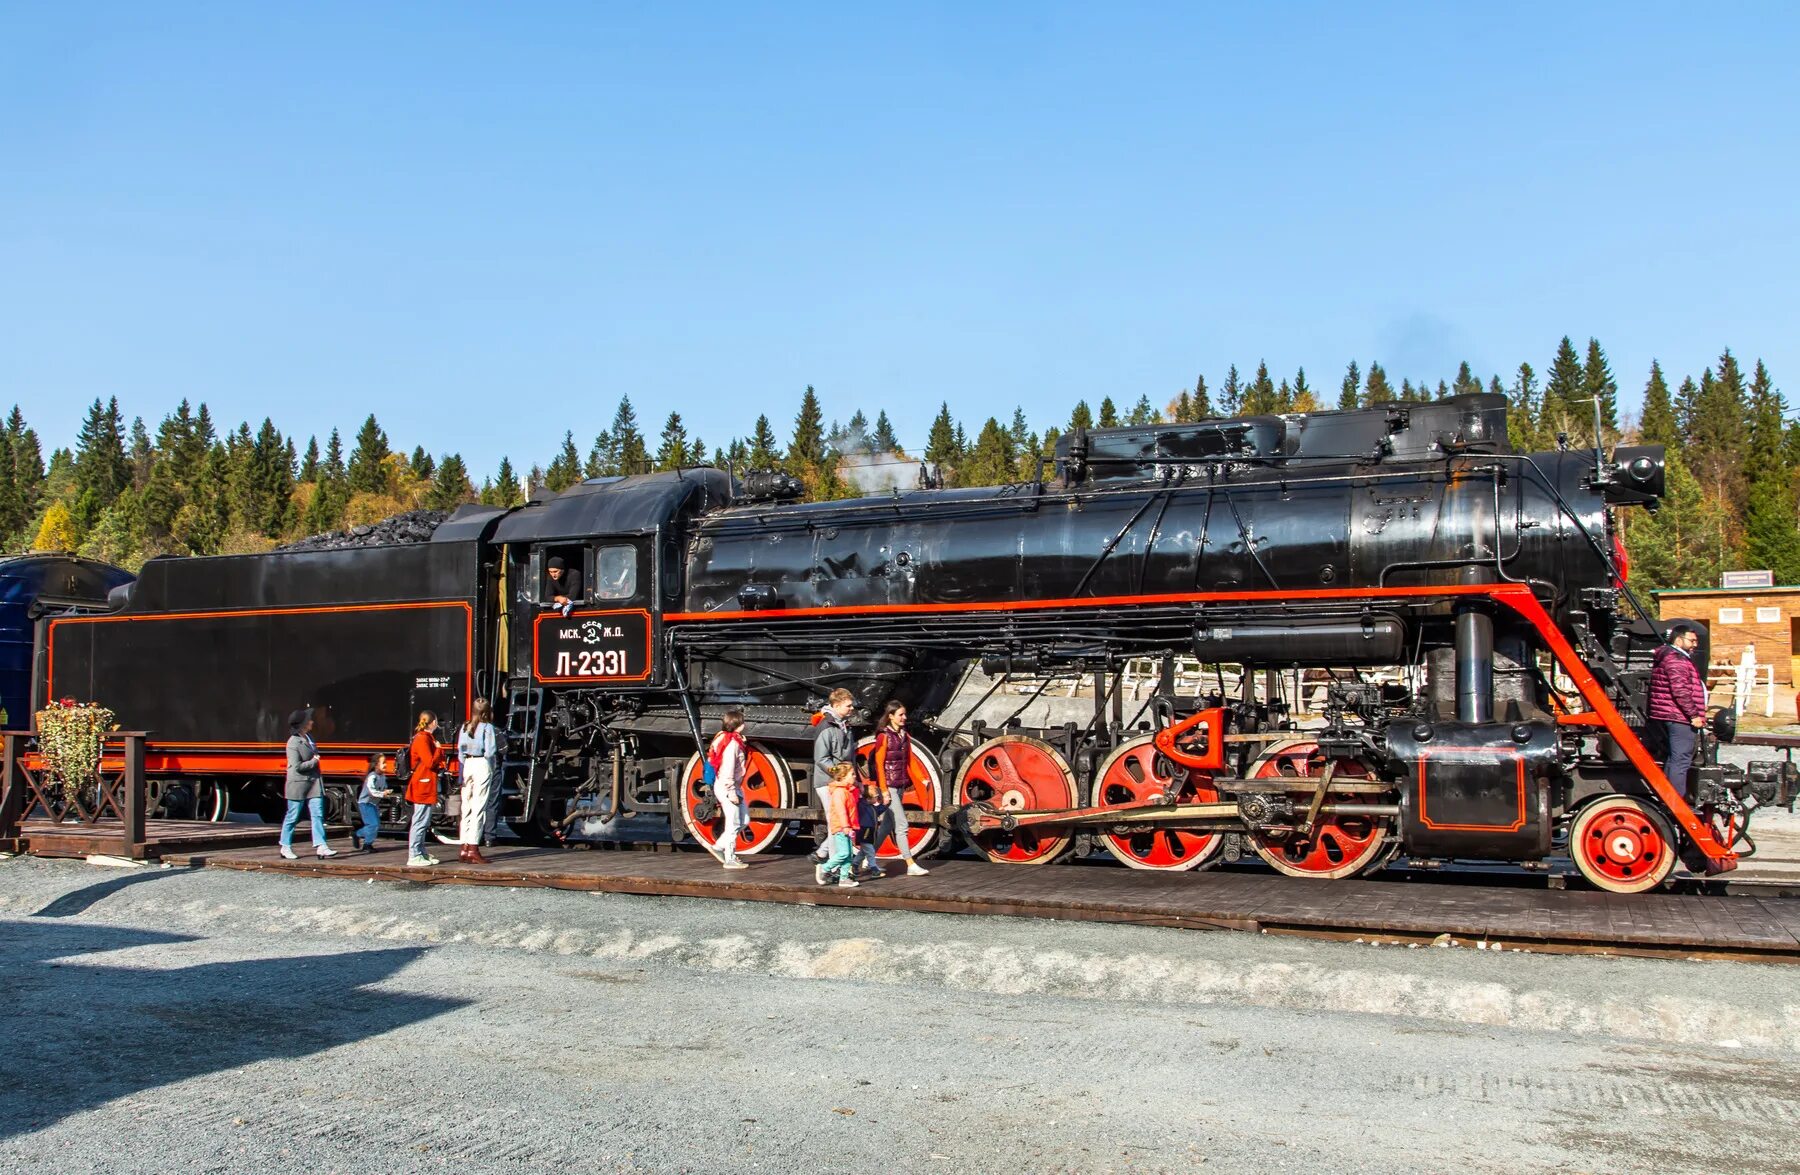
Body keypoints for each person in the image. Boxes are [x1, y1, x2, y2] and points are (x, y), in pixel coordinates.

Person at [870, 699, 930, 877]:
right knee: (902, 824)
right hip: (889, 786)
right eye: (901, 715)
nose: (904, 717)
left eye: (905, 714)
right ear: (891, 717)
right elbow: (879, 765)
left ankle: (866, 857)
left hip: (900, 784)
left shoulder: (904, 735)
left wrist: (922, 779)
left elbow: (910, 760)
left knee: (887, 825)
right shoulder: (884, 736)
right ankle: (910, 864)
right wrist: (884, 790)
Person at [1648, 624, 1708, 798]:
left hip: (1671, 713)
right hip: (1678, 716)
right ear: (1679, 639)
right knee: (1681, 759)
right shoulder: (1676, 659)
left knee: (1673, 758)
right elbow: (1680, 690)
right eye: (1692, 640)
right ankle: (1675, 801)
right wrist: (1694, 714)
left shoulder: (1670, 657)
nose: (1695, 644)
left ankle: (1668, 797)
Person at [281, 708, 336, 859]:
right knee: (293, 815)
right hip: (298, 783)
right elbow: (297, 766)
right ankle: (285, 846)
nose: (311, 721)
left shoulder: (309, 738)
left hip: (313, 783)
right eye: (308, 720)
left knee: (317, 814)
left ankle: (321, 846)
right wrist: (314, 762)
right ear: (302, 724)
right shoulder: (293, 742)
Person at [809, 689, 856, 862]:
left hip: (841, 781)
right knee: (836, 822)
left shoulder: (845, 725)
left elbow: (850, 756)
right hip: (827, 781)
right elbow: (821, 758)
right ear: (836, 705)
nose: (852, 708)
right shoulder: (826, 727)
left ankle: (822, 853)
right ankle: (834, 862)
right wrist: (841, 775)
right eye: (848, 705)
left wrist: (853, 778)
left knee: (842, 821)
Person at [456, 699, 499, 865]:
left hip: (467, 764)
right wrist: (491, 766)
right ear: (486, 712)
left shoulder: (465, 726)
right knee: (479, 807)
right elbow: (490, 751)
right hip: (481, 763)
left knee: (466, 807)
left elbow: (460, 752)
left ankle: (464, 848)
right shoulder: (487, 727)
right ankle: (474, 848)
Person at [708, 709, 750, 870]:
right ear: (739, 725)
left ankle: (718, 847)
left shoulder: (733, 740)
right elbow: (727, 770)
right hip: (728, 787)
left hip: (733, 786)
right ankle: (730, 858)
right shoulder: (732, 744)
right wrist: (732, 792)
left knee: (744, 821)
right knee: (733, 823)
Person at [405, 710, 448, 868]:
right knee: (420, 821)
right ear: (433, 722)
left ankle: (420, 851)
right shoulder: (423, 739)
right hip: (423, 783)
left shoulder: (424, 737)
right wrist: (438, 749)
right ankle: (414, 854)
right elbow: (430, 762)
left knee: (423, 820)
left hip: (425, 782)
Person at [814, 761, 860, 889]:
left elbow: (853, 805)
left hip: (848, 827)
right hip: (840, 827)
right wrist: (845, 826)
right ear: (843, 777)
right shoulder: (839, 792)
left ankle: (844, 878)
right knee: (844, 853)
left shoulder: (848, 791)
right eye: (852, 774)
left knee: (849, 854)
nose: (855, 776)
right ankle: (824, 868)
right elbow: (841, 811)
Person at [352, 752, 391, 853]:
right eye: (383, 762)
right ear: (376, 765)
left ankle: (359, 835)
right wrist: (383, 794)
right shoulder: (372, 776)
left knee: (376, 824)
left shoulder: (383, 776)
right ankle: (366, 844)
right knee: (372, 824)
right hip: (365, 803)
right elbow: (371, 791)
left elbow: (382, 788)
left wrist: (387, 792)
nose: (385, 764)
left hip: (373, 804)